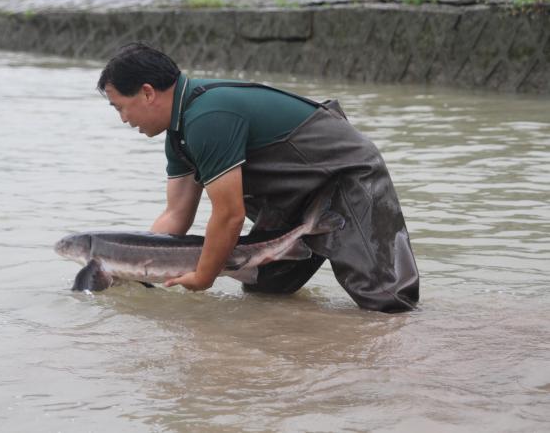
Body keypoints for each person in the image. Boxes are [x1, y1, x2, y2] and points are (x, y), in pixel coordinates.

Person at [96, 42, 419, 313]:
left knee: (388, 303)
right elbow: (175, 215)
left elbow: (229, 215)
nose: (124, 119)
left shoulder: (208, 117)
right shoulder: (179, 134)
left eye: (120, 107)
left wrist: (204, 277)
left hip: (346, 175)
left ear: (148, 93)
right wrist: (129, 269)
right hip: (295, 197)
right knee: (266, 290)